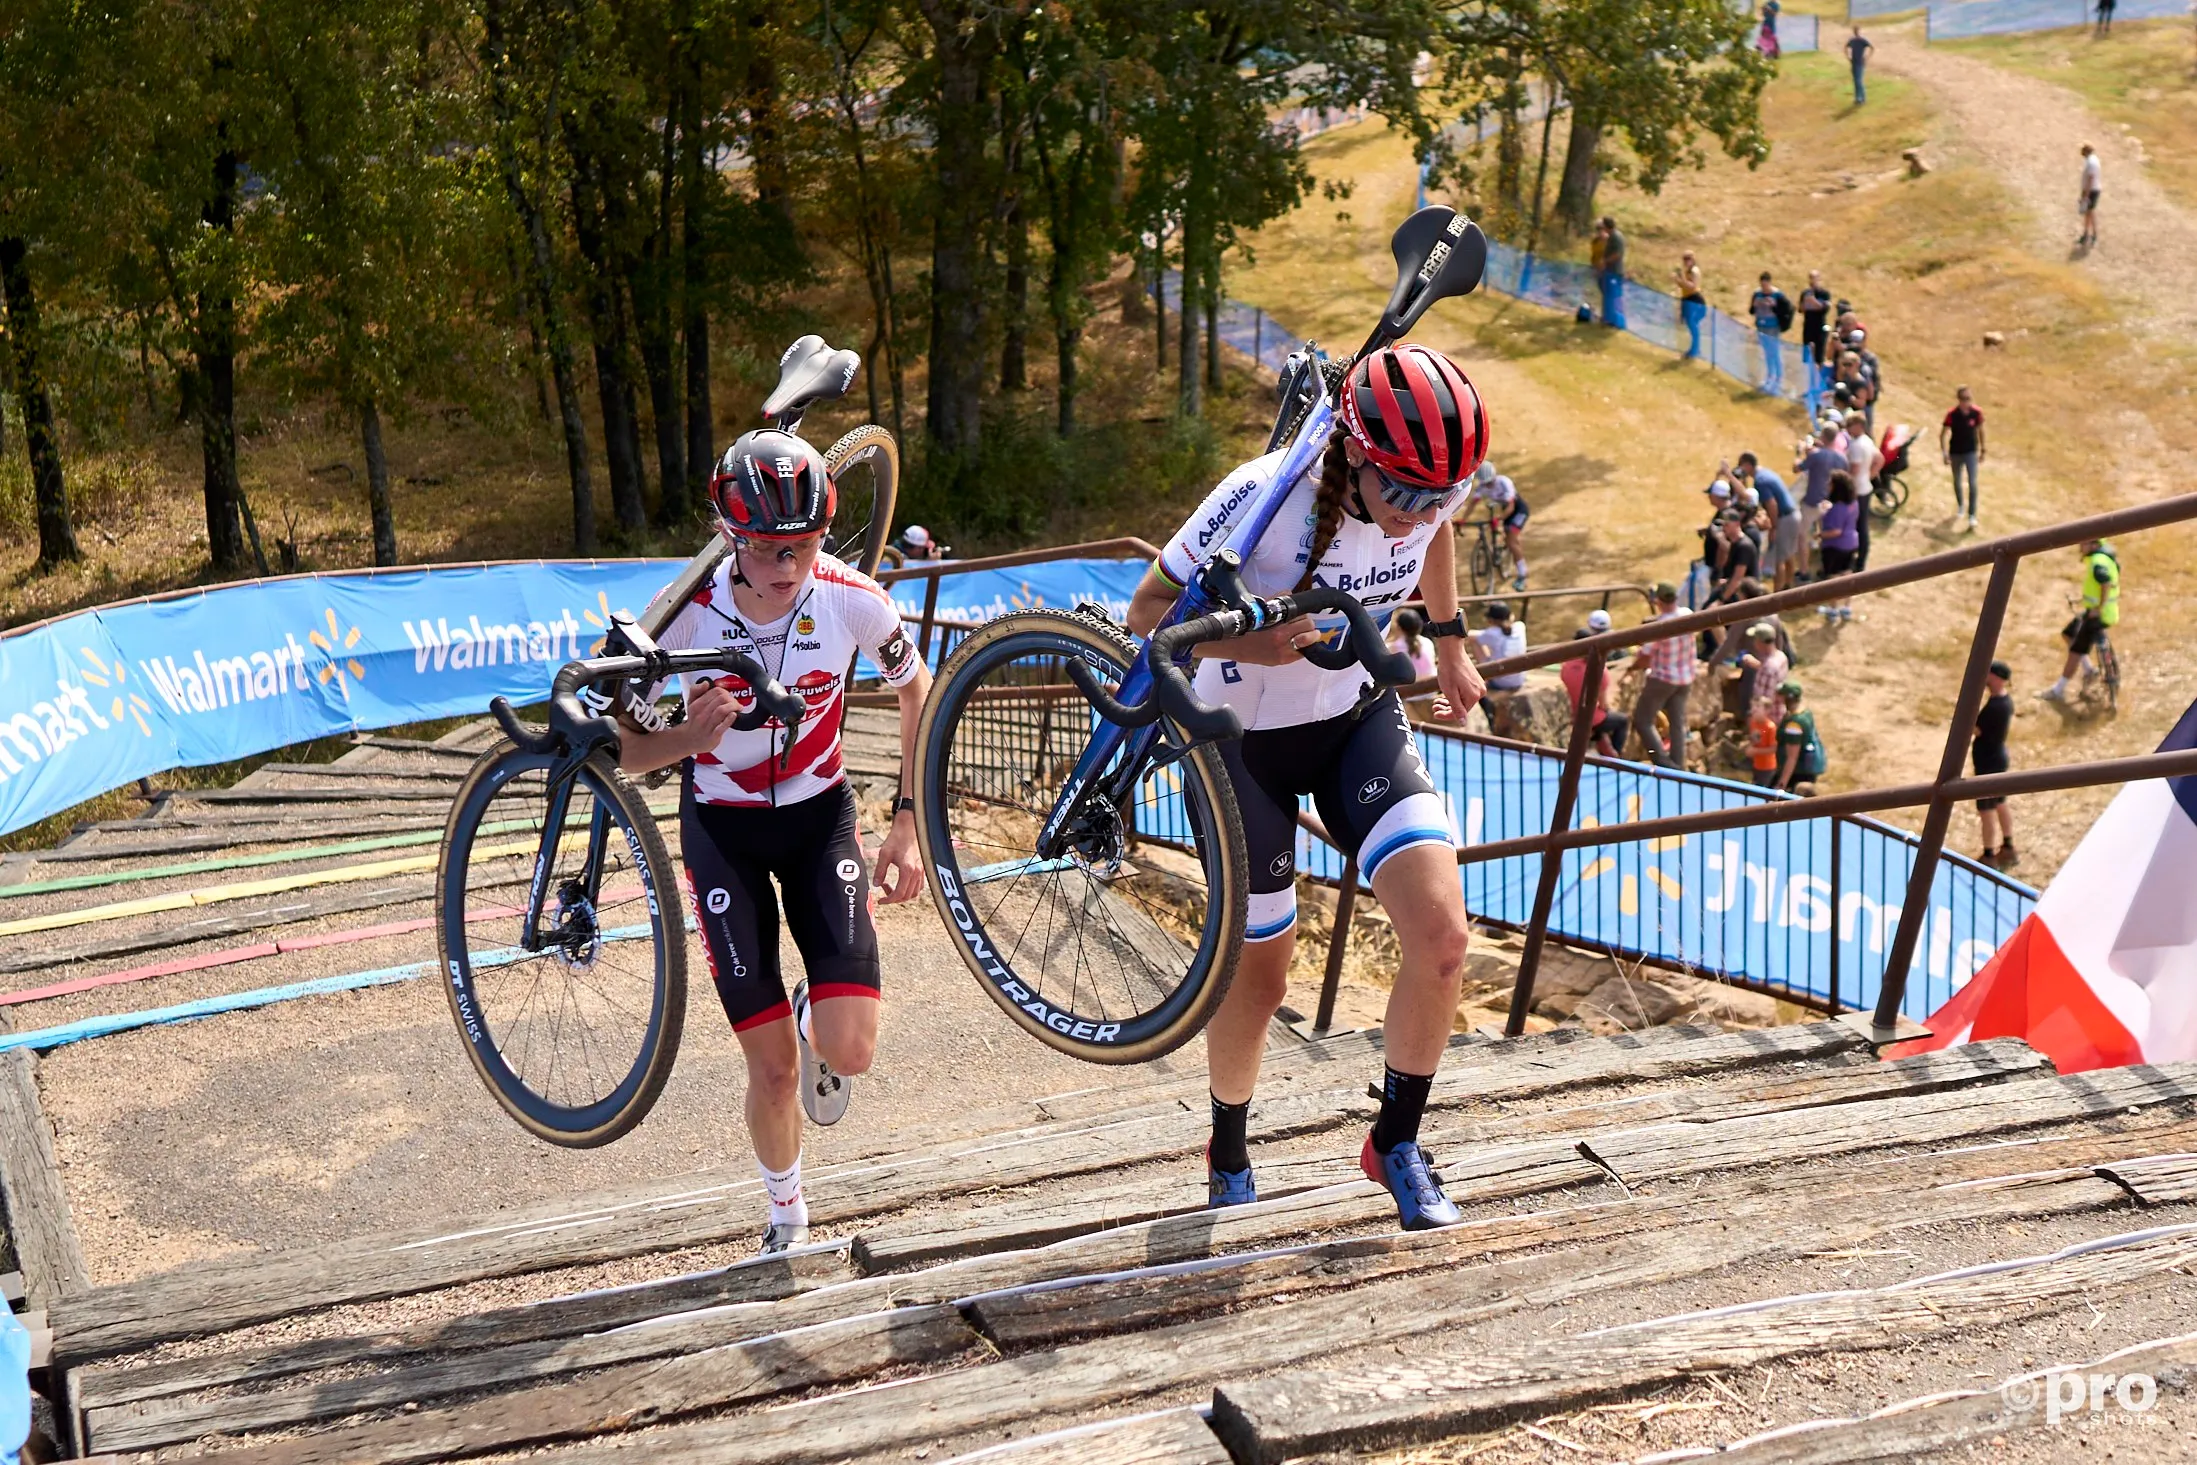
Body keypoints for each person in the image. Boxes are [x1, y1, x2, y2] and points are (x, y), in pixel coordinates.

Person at [1125, 343, 1488, 1230]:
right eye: (1400, 492)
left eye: (1438, 494)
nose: (1417, 516)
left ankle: (1394, 1141)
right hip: (1238, 746)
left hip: (1352, 721)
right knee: (1263, 982)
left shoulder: (1433, 482)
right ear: (1355, 455)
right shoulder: (1263, 496)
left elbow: (1437, 530)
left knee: (1442, 939)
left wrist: (1446, 638)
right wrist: (1247, 645)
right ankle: (1229, 1147)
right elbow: (1145, 616)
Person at [617, 428, 932, 1255]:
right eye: (765, 548)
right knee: (776, 1073)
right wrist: (684, 740)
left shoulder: (851, 595)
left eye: (804, 543)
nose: (787, 564)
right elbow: (618, 749)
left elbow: (918, 691)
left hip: (818, 814)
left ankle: (812, 1012)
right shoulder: (682, 615)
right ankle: (787, 1213)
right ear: (730, 534)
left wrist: (907, 820)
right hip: (720, 828)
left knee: (848, 1050)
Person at [2040, 537, 2120, 701]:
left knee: (2076, 650)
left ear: (2094, 545)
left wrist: (2098, 608)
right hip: (2098, 611)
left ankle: (2058, 690)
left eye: (2083, 543)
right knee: (2068, 634)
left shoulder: (2098, 562)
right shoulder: (2104, 558)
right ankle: (2089, 669)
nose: (2080, 546)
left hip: (2097, 615)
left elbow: (2105, 583)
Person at [1628, 582, 1696, 769]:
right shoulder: (1687, 614)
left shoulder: (1659, 626)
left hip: (1663, 679)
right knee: (1677, 723)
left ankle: (1665, 765)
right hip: (1685, 677)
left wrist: (1631, 669)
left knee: (1643, 720)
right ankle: (1679, 766)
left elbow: (1645, 657)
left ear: (1658, 601)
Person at [1973, 661, 2018, 869]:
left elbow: (1977, 730)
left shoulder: (1994, 707)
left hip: (1988, 764)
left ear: (1997, 678)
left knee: (1987, 810)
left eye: (1988, 674)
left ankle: (1989, 855)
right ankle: (2008, 846)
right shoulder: (2005, 702)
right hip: (1997, 759)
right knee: (2000, 803)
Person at [1560, 628, 1630, 757]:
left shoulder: (1565, 666)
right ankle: (1616, 759)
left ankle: (1602, 744)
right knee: (1622, 721)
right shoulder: (1599, 670)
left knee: (1599, 725)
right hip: (1589, 717)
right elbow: (1604, 705)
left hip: (1572, 714)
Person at [1736, 453, 1799, 591]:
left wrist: (1773, 528)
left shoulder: (1760, 481)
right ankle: (1789, 586)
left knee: (1779, 559)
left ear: (1747, 465)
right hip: (1793, 515)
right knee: (1788, 554)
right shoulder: (1766, 473)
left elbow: (1772, 504)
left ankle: (1778, 595)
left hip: (1784, 519)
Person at [1468, 460, 1530, 590]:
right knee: (1507, 538)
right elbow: (1473, 504)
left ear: (1494, 477)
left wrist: (1499, 518)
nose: (1488, 486)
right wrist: (1463, 520)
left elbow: (1511, 507)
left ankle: (1523, 574)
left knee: (1512, 541)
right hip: (1506, 511)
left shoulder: (1504, 482)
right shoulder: (1483, 486)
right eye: (1486, 484)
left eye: (1490, 483)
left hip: (1518, 511)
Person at [1794, 423, 1845, 566]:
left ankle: (1803, 571)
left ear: (1822, 436)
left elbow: (1797, 468)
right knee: (1825, 534)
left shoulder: (1816, 455)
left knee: (1802, 536)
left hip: (1811, 502)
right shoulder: (1842, 459)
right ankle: (1825, 564)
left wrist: (1799, 454)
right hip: (1829, 503)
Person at [1939, 385, 1986, 531]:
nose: (1967, 401)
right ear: (1959, 400)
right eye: (1964, 399)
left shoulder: (1976, 413)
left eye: (1969, 398)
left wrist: (1983, 449)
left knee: (1972, 483)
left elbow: (1981, 431)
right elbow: (1943, 434)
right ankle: (1960, 505)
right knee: (1957, 480)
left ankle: (1972, 515)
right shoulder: (1952, 414)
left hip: (1971, 452)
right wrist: (1945, 453)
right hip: (1956, 452)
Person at [1816, 472, 1861, 620]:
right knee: (1848, 576)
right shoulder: (1853, 503)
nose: (1828, 486)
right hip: (1851, 543)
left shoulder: (1837, 509)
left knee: (1833, 579)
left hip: (1835, 547)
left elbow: (1835, 531)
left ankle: (1833, 610)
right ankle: (1846, 608)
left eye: (1830, 483)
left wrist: (1820, 535)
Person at [1772, 681, 1826, 794]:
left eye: (1781, 695)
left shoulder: (1794, 725)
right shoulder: (1804, 712)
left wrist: (1781, 785)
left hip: (1796, 774)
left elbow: (1792, 757)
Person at [1843, 412, 1878, 571]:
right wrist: (1870, 475)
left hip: (1857, 491)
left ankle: (1858, 561)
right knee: (1861, 525)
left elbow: (1854, 469)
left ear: (1859, 426)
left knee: (1857, 526)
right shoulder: (1867, 440)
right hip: (1865, 487)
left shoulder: (1857, 445)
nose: (1848, 428)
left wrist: (1845, 485)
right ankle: (1860, 558)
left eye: (1851, 425)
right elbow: (1879, 459)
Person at [1749, 272, 1791, 395]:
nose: (1763, 287)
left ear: (1769, 283)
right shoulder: (1757, 294)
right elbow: (1751, 311)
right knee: (1767, 352)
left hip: (1773, 327)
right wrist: (1754, 305)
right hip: (1761, 326)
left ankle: (1779, 379)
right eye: (1761, 285)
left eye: (1765, 285)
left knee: (1775, 352)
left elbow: (1787, 310)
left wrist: (1773, 306)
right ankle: (1769, 377)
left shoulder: (1778, 295)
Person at [1738, 622, 1790, 724]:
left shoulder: (1768, 669)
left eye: (1755, 639)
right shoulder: (1781, 656)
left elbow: (1764, 702)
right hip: (1779, 712)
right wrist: (1757, 665)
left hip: (1768, 720)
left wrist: (1752, 718)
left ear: (1760, 642)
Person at [1707, 511, 1761, 606]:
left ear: (1737, 524)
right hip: (1735, 588)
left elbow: (1738, 578)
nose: (1724, 528)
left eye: (1727, 525)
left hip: (1745, 594)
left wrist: (1721, 601)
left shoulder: (1744, 546)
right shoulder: (1734, 543)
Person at [1675, 252, 1707, 360]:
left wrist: (1682, 279)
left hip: (1694, 300)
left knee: (1693, 325)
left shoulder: (1694, 271)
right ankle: (1694, 349)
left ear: (1693, 260)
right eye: (1684, 259)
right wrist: (1678, 280)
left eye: (1688, 259)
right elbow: (1684, 286)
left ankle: (1695, 350)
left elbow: (1692, 286)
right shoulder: (1687, 271)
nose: (1686, 261)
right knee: (1691, 325)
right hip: (1687, 299)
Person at [1598, 217, 1628, 330]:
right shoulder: (1611, 237)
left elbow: (1617, 254)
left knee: (1613, 297)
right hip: (1609, 271)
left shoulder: (1616, 237)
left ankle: (1616, 322)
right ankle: (1608, 318)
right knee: (1608, 296)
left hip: (1614, 271)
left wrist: (1605, 261)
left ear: (1606, 226)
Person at [1799, 270, 1834, 368]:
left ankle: (1819, 373)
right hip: (1808, 325)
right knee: (1807, 350)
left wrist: (1812, 301)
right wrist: (1805, 303)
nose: (1812, 281)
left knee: (1819, 352)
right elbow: (1801, 309)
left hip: (1820, 326)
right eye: (1810, 278)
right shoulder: (1805, 293)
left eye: (1814, 278)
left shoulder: (1824, 293)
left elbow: (1824, 308)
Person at [2079, 143, 2102, 248]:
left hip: (2092, 190)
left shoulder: (2091, 162)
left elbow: (2091, 178)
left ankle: (2091, 234)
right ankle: (2088, 233)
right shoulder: (2093, 160)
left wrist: (2086, 195)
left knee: (2090, 212)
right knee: (2089, 213)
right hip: (2093, 189)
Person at [1846, 26, 1873, 105]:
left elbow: (1872, 48)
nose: (1856, 32)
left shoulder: (1862, 41)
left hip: (1860, 62)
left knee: (1859, 81)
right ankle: (1858, 98)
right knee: (1856, 81)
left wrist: (1867, 58)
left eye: (1857, 31)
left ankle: (1862, 98)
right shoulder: (1852, 40)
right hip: (1854, 62)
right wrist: (1848, 57)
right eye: (1855, 31)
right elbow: (1846, 47)